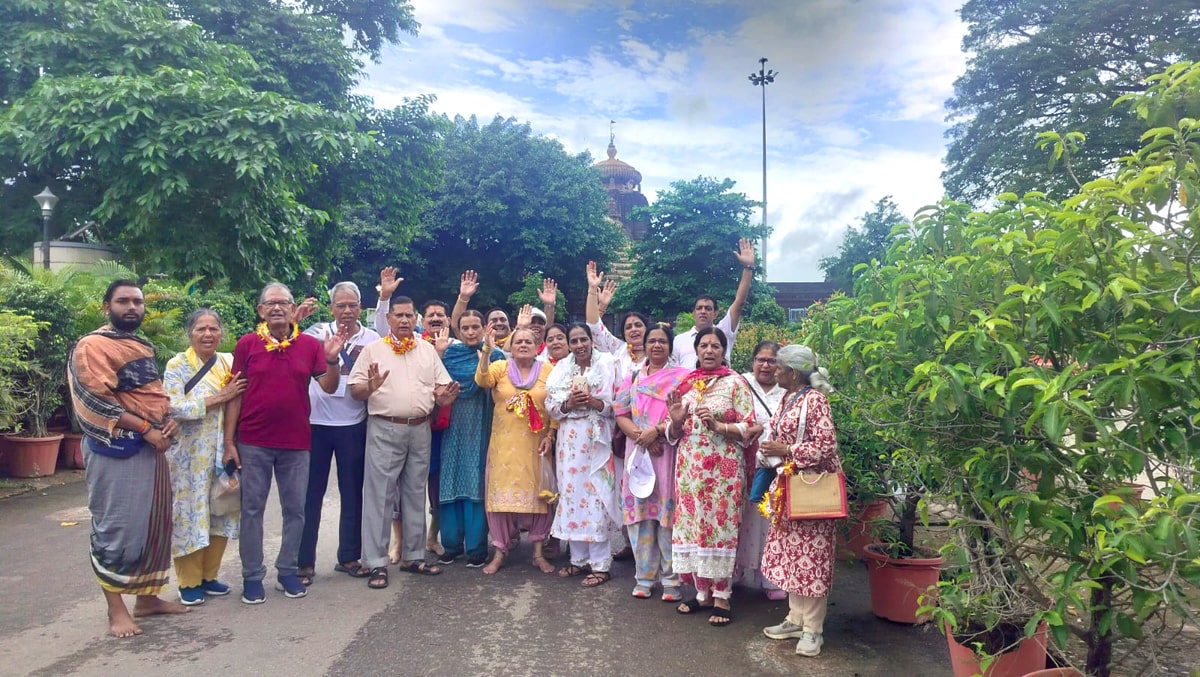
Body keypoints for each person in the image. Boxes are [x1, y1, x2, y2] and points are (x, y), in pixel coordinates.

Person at [67, 279, 189, 637]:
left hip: (151, 447)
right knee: (116, 527)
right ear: (107, 306)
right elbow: (94, 401)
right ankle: (115, 610)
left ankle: (147, 599)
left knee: (153, 525)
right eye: (123, 301)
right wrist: (145, 428)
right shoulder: (91, 346)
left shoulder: (141, 345)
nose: (132, 307)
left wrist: (166, 424)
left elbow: (151, 395)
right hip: (116, 448)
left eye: (137, 301)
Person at [223, 283, 348, 604]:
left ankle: (287, 570)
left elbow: (330, 387)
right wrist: (229, 442)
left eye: (284, 303)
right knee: (252, 510)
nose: (277, 308)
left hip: (296, 442)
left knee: (296, 510)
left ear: (294, 310)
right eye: (270, 303)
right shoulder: (247, 344)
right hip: (253, 441)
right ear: (260, 310)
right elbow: (234, 395)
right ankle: (252, 576)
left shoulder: (309, 345)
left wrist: (332, 360)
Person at [349, 295, 458, 589]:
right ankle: (374, 562)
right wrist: (369, 387)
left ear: (416, 319)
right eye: (399, 315)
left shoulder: (426, 350)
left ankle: (413, 556)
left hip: (420, 428)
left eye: (410, 315)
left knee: (414, 493)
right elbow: (355, 390)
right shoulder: (373, 350)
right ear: (388, 319)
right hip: (385, 427)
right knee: (380, 496)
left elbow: (440, 387)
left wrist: (444, 397)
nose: (405, 320)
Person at [666, 326, 757, 626]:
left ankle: (723, 594)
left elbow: (752, 427)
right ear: (696, 350)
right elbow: (671, 431)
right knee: (695, 527)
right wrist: (676, 422)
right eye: (703, 345)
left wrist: (720, 428)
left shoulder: (735, 383)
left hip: (723, 471)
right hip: (690, 469)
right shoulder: (687, 385)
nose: (708, 350)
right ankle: (702, 592)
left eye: (714, 346)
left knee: (721, 528)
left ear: (723, 350)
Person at [296, 282, 380, 585]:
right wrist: (294, 320)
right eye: (340, 305)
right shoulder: (314, 334)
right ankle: (303, 562)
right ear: (331, 308)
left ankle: (349, 557)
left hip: (353, 424)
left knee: (353, 492)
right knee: (310, 495)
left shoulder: (372, 339)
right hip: (315, 424)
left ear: (360, 307)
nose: (346, 311)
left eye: (352, 305)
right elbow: (288, 351)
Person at [760, 345, 841, 657]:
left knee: (812, 559)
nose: (774, 371)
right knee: (793, 556)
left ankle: (813, 629)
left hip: (813, 490)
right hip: (791, 487)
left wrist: (786, 451)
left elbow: (826, 446)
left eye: (779, 367)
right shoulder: (789, 397)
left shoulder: (815, 400)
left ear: (792, 373)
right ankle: (795, 618)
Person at [163, 309, 248, 606]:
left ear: (221, 333)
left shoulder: (227, 362)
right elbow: (173, 407)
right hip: (187, 453)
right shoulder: (177, 365)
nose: (208, 334)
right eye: (201, 329)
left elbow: (239, 398)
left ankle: (209, 576)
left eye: (213, 329)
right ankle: (188, 582)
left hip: (221, 449)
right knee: (189, 514)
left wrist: (230, 442)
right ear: (191, 333)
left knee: (222, 510)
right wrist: (218, 397)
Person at [614, 324, 689, 601]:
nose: (657, 346)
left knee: (668, 518)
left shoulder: (682, 378)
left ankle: (671, 579)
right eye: (652, 341)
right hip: (639, 453)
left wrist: (656, 432)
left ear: (670, 346)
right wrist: (640, 436)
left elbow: (685, 411)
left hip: (668, 452)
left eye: (662, 342)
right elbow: (620, 412)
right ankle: (644, 577)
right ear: (643, 346)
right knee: (640, 517)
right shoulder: (632, 377)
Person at [475, 326, 558, 574]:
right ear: (510, 346)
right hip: (503, 446)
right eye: (518, 341)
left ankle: (538, 553)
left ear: (537, 346)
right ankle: (500, 551)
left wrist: (551, 435)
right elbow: (481, 380)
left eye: (528, 341)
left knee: (540, 497)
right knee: (500, 497)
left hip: (537, 444)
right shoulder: (500, 368)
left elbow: (555, 405)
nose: (523, 344)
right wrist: (487, 351)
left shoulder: (548, 371)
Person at [545, 323, 620, 587]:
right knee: (572, 496)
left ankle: (600, 564)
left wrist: (592, 402)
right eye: (574, 341)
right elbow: (551, 407)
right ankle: (578, 560)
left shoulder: (608, 364)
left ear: (591, 340)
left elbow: (616, 405)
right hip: (569, 441)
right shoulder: (561, 369)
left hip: (596, 438)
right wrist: (569, 404)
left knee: (596, 496)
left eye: (583, 339)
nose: (579, 345)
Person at [436, 310, 503, 567]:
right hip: (453, 425)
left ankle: (476, 548)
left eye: (476, 326)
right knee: (450, 478)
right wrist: (439, 354)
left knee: (476, 480)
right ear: (458, 330)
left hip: (481, 423)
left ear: (485, 327)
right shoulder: (449, 354)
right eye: (466, 328)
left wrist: (485, 358)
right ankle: (451, 545)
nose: (471, 332)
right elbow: (434, 379)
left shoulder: (495, 355)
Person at [735, 341, 787, 601]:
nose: (765, 365)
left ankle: (771, 577)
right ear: (752, 361)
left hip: (774, 467)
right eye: (760, 359)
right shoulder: (740, 383)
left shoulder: (788, 390)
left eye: (771, 360)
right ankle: (736, 572)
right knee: (740, 518)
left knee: (770, 520)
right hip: (742, 462)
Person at [673, 238, 757, 368]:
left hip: (722, 387)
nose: (703, 311)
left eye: (708, 308)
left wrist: (748, 267)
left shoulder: (724, 331)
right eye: (699, 308)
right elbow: (673, 373)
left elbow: (740, 301)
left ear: (715, 313)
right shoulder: (679, 340)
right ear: (693, 313)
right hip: (689, 388)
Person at [585, 261, 649, 383]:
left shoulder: (657, 350)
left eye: (638, 325)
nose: (634, 329)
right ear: (623, 334)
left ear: (647, 329)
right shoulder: (617, 349)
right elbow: (593, 327)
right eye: (628, 327)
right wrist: (593, 290)